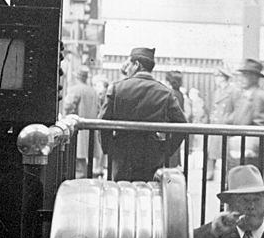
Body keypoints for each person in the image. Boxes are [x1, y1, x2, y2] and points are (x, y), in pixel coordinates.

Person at [99, 46, 186, 181]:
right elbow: (182, 125)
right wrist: (165, 150)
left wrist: (109, 149)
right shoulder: (164, 92)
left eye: (129, 65)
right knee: (148, 194)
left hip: (122, 152)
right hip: (151, 154)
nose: (127, 69)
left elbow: (102, 122)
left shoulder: (116, 88)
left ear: (137, 65)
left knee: (119, 193)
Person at [228, 58, 264, 169]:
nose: (241, 79)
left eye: (246, 75)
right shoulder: (245, 95)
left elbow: (261, 124)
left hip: (251, 149)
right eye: (242, 75)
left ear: (255, 78)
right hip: (242, 146)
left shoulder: (258, 96)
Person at [62, 66, 101, 176]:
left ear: (76, 77)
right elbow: (99, 109)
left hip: (78, 130)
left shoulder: (75, 89)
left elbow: (68, 106)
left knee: (78, 160)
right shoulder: (93, 91)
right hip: (91, 129)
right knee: (86, 158)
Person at [206, 65, 236, 180]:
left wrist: (227, 120)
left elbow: (236, 110)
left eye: (217, 76)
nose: (215, 79)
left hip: (225, 126)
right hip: (215, 125)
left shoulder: (232, 91)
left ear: (224, 77)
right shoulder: (217, 91)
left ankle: (229, 176)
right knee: (211, 151)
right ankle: (210, 172)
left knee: (227, 153)